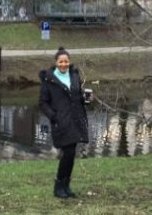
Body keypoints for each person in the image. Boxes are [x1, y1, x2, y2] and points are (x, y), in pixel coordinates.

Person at [39, 46, 89, 199]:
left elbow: (78, 95)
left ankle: (66, 186)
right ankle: (58, 187)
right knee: (68, 153)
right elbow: (43, 103)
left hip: (75, 120)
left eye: (66, 61)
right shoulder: (49, 80)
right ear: (56, 62)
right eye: (61, 62)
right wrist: (54, 116)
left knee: (71, 153)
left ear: (69, 62)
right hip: (61, 122)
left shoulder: (74, 76)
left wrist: (85, 100)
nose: (63, 64)